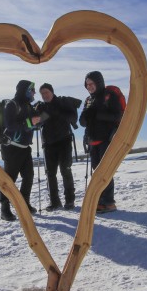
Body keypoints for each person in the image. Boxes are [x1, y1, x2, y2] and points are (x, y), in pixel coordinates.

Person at [79, 71, 123, 213]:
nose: (89, 86)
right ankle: (100, 200)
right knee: (96, 172)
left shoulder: (109, 96)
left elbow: (118, 116)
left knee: (105, 172)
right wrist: (85, 117)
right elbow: (82, 122)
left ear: (99, 82)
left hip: (107, 139)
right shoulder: (88, 100)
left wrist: (97, 114)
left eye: (91, 83)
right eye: (87, 84)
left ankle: (109, 202)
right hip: (93, 140)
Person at [0, 80, 41, 221]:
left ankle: (24, 204)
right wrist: (30, 123)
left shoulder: (29, 106)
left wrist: (42, 117)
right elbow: (10, 125)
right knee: (9, 179)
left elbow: (38, 120)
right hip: (11, 147)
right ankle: (4, 209)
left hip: (24, 148)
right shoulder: (12, 104)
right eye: (32, 90)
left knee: (28, 176)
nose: (34, 93)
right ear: (25, 90)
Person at [35, 83, 81, 211]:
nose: (44, 95)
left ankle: (70, 201)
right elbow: (37, 124)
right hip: (48, 144)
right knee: (50, 173)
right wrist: (43, 116)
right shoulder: (41, 107)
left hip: (64, 141)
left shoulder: (62, 102)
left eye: (46, 92)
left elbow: (73, 117)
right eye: (42, 93)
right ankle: (55, 202)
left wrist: (58, 113)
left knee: (65, 170)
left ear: (52, 92)